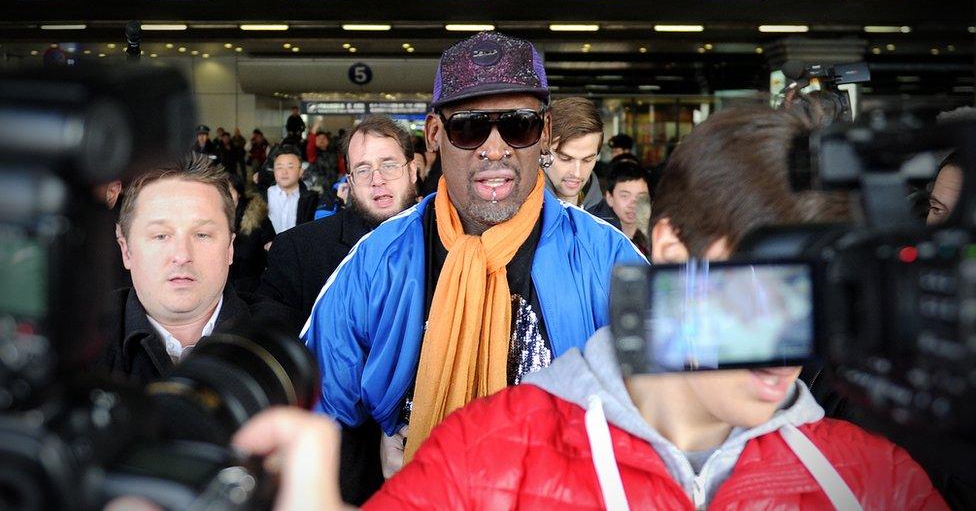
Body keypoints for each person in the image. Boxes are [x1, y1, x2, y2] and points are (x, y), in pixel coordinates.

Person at [236, 106, 947, 511]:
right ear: (672, 251)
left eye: (821, 299)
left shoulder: (871, 480)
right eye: (768, 291)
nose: (790, 349)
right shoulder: (490, 453)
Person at [301, 31, 645, 492]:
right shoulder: (378, 261)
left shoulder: (607, 258)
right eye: (469, 126)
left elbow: (676, 408)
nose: (495, 148)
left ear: (542, 134)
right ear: (434, 135)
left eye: (518, 124)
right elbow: (312, 413)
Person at [258, 115, 419, 504]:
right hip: (337, 467)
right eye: (363, 169)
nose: (377, 178)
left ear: (414, 169)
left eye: (389, 165)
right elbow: (276, 355)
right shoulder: (299, 250)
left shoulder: (456, 247)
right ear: (348, 180)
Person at [95, 155, 252, 382]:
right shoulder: (74, 348)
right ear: (126, 250)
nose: (182, 256)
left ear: (230, 248)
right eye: (160, 236)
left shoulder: (292, 340)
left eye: (202, 235)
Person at [543, 97, 605, 208]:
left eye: (587, 160)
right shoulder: (518, 210)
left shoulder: (608, 217)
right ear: (543, 149)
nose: (577, 173)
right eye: (565, 158)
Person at [227, 173, 275, 292]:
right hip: (223, 280)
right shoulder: (212, 216)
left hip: (252, 280)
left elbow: (271, 242)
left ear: (238, 193)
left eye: (230, 192)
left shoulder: (256, 215)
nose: (225, 197)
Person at [600, 162, 651, 255]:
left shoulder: (659, 239)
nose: (633, 204)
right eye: (625, 196)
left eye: (641, 197)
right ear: (610, 198)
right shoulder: (597, 237)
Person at [266, 146, 319, 235]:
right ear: (273, 171)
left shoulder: (311, 199)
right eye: (279, 167)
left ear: (300, 172)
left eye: (290, 167)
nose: (284, 172)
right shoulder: (262, 197)